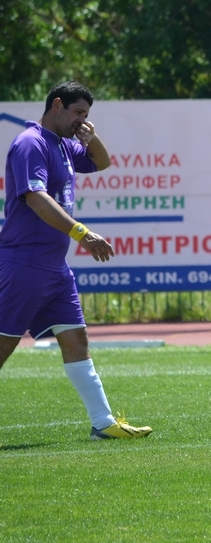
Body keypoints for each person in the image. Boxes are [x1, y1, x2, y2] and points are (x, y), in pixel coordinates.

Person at [0, 81, 152, 440]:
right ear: (57, 105)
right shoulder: (31, 143)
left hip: (55, 268)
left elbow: (102, 162)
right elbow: (36, 198)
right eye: (78, 113)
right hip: (24, 264)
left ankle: (103, 423)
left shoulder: (65, 144)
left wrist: (91, 137)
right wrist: (82, 233)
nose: (82, 120)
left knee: (76, 339)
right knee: (4, 345)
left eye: (87, 114)